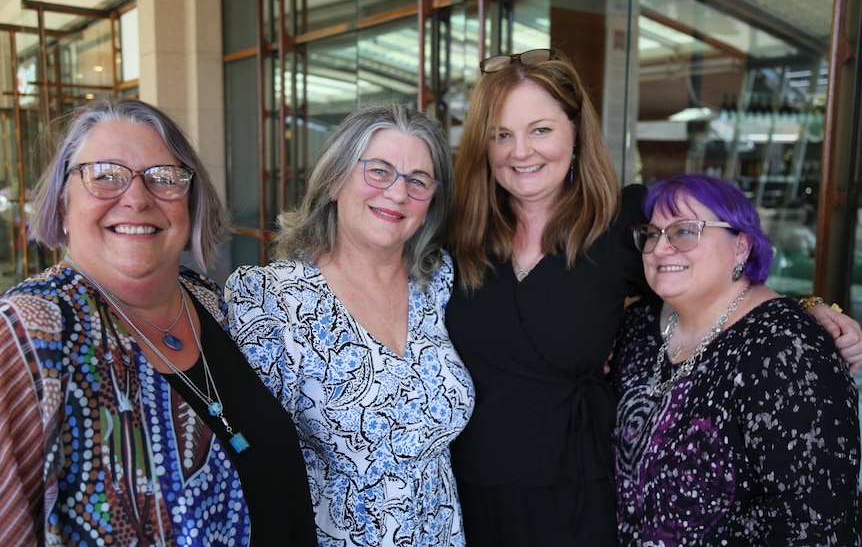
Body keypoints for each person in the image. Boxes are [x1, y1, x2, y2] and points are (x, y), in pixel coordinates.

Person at [444, 48, 862, 545]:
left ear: (575, 133)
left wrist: (810, 310)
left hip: (577, 493)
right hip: (468, 488)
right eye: (502, 135)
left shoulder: (623, 221)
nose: (521, 152)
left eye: (540, 130)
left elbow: (715, 271)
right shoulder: (458, 231)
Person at [0, 97, 317, 546]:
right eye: (105, 176)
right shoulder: (27, 335)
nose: (135, 198)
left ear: (190, 205)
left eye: (163, 178)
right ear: (63, 203)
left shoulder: (206, 300)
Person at [225, 103, 475, 546]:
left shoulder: (436, 282)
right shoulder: (270, 301)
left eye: (417, 181)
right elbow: (251, 469)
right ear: (336, 179)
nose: (398, 194)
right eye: (378, 171)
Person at [612, 174, 860, 545]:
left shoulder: (787, 348)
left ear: (741, 246)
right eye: (652, 233)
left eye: (684, 231)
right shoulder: (639, 325)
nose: (661, 248)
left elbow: (816, 524)